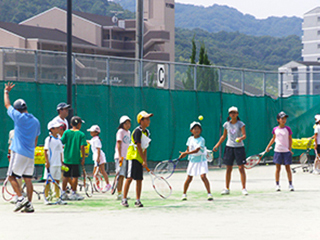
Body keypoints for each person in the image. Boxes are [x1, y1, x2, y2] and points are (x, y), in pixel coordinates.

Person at [4, 82, 41, 212]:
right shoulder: (36, 121)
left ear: (17, 109)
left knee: (11, 177)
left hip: (18, 153)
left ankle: (20, 198)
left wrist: (6, 92)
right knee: (28, 180)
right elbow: (36, 140)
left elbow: (7, 105)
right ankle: (29, 205)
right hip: (30, 154)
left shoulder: (18, 117)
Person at [213, 106, 248, 195]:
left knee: (241, 168)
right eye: (231, 113)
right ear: (229, 114)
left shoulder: (241, 124)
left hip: (239, 148)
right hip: (229, 147)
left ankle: (244, 188)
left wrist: (240, 138)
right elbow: (224, 136)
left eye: (234, 112)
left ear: (237, 114)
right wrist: (217, 145)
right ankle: (227, 188)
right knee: (228, 168)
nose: (233, 114)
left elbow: (244, 135)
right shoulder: (226, 124)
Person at [121, 111, 153, 208]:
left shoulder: (146, 132)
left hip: (140, 159)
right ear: (141, 120)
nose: (149, 121)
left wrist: (145, 161)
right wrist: (143, 160)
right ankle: (124, 199)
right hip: (132, 157)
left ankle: (137, 200)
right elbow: (138, 146)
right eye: (146, 119)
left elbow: (145, 147)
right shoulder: (137, 131)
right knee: (129, 178)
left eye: (148, 118)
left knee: (139, 179)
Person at [179, 121, 213, 201]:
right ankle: (184, 194)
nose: (197, 130)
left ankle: (209, 194)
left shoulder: (201, 140)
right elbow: (188, 150)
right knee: (189, 178)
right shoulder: (190, 139)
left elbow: (197, 150)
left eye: (198, 128)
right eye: (195, 128)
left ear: (200, 130)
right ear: (191, 131)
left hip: (201, 160)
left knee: (203, 177)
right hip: (192, 161)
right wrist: (184, 154)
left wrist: (186, 153)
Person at [265, 111, 294, 191]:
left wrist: (289, 149)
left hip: (286, 152)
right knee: (278, 169)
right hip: (277, 151)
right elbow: (273, 138)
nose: (284, 120)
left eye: (285, 118)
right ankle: (277, 185)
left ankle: (290, 185)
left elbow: (290, 139)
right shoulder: (275, 129)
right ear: (278, 120)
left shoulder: (288, 129)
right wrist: (268, 147)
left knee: (288, 168)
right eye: (282, 118)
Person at [60, 116, 87, 201]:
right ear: (79, 124)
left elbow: (61, 142)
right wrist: (83, 158)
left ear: (71, 124)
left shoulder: (66, 132)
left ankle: (63, 193)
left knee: (65, 175)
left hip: (66, 158)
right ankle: (74, 193)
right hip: (76, 159)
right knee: (75, 176)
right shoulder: (81, 134)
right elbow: (82, 146)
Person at [43, 121, 67, 205]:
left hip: (58, 164)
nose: (58, 129)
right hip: (51, 164)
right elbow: (45, 151)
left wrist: (62, 162)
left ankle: (58, 198)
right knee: (48, 181)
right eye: (56, 128)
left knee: (57, 180)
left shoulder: (59, 139)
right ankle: (46, 198)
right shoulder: (48, 139)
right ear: (51, 129)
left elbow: (61, 152)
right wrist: (47, 162)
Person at [87, 125, 111, 192]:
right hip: (96, 156)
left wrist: (98, 158)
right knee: (95, 172)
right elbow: (89, 142)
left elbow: (98, 149)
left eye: (92, 131)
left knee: (102, 171)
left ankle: (108, 184)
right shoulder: (93, 139)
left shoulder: (97, 140)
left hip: (99, 156)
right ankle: (96, 185)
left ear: (96, 132)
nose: (91, 132)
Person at [114, 115, 131, 200]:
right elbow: (119, 144)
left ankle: (122, 193)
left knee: (124, 175)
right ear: (122, 124)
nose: (128, 125)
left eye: (129, 123)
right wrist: (120, 156)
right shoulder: (120, 131)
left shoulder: (129, 132)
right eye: (126, 123)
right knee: (120, 175)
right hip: (120, 157)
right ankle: (119, 193)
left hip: (127, 157)